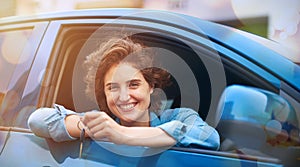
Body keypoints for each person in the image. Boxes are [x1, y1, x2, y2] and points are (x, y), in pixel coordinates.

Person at [28, 36, 220, 150]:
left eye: (134, 85)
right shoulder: (103, 123)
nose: (123, 96)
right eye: (112, 87)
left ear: (151, 86)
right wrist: (91, 128)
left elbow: (209, 138)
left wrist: (122, 134)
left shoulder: (179, 116)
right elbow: (37, 120)